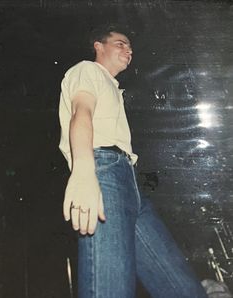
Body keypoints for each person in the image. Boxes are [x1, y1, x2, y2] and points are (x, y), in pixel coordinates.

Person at [59, 24, 208, 298]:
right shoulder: (87, 70)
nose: (128, 50)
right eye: (120, 43)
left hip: (129, 183)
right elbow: (81, 115)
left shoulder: (112, 87)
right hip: (103, 172)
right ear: (98, 46)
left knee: (185, 289)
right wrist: (83, 174)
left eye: (130, 47)